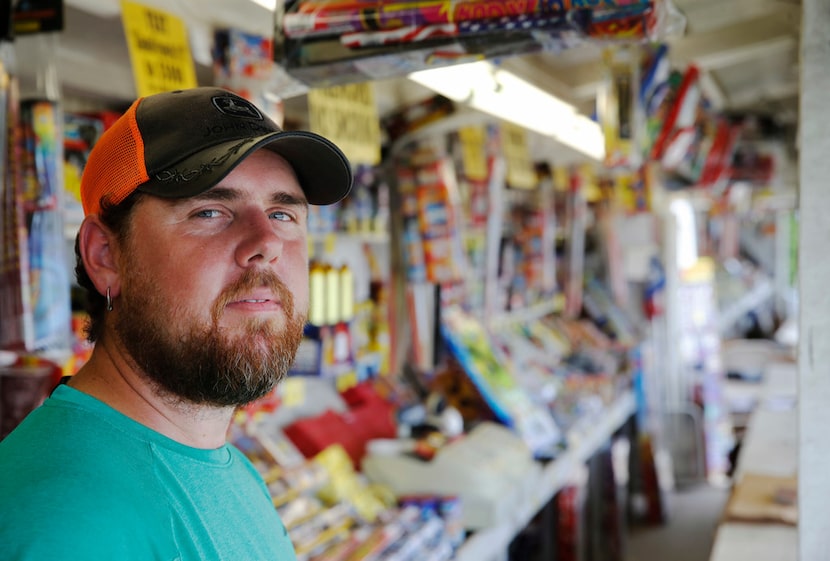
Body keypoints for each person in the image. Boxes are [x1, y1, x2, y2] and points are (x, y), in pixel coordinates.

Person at [0, 87, 352, 560]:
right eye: (210, 211)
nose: (267, 242)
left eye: (283, 213)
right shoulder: (63, 523)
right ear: (106, 256)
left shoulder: (230, 469)